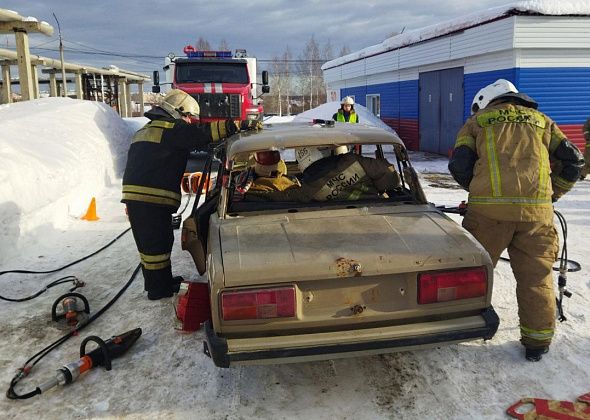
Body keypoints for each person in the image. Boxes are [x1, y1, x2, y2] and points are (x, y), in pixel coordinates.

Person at [448, 79, 584, 361]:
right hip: (536, 216)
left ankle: (461, 329)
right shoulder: (543, 121)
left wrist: (479, 190)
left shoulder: (477, 122)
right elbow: (573, 161)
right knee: (537, 280)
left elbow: (459, 164)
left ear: (488, 101)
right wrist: (553, 194)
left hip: (487, 216)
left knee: (473, 273)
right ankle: (537, 344)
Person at [122, 89, 242, 300]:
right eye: (188, 117)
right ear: (178, 111)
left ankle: (161, 283)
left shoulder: (148, 130)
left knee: (155, 244)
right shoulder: (170, 129)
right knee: (155, 248)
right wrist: (234, 126)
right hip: (150, 200)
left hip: (140, 199)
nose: (189, 122)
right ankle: (159, 290)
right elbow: (202, 133)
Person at [248, 145, 401, 202]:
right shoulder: (355, 161)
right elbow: (392, 180)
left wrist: (245, 194)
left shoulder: (306, 191)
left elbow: (276, 197)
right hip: (376, 211)